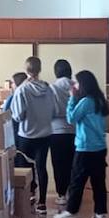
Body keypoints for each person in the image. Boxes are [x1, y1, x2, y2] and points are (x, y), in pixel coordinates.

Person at [54, 70, 109, 218]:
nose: (75, 86)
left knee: (77, 181)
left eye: (77, 83)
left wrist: (72, 98)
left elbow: (71, 118)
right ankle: (101, 213)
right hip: (100, 147)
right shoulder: (99, 100)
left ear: (83, 84)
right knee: (99, 182)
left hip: (85, 148)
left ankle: (71, 211)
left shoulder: (86, 102)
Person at [6, 57, 58, 213]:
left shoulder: (22, 89)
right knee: (41, 167)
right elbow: (54, 111)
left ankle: (28, 196)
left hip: (26, 135)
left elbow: (18, 116)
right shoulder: (48, 88)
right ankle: (42, 203)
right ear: (40, 69)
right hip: (46, 134)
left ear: (26, 70)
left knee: (25, 168)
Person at [48, 60, 77, 206]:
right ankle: (73, 192)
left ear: (56, 72)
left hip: (56, 131)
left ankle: (61, 194)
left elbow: (50, 111)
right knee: (73, 163)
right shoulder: (76, 86)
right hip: (75, 130)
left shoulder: (52, 88)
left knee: (59, 164)